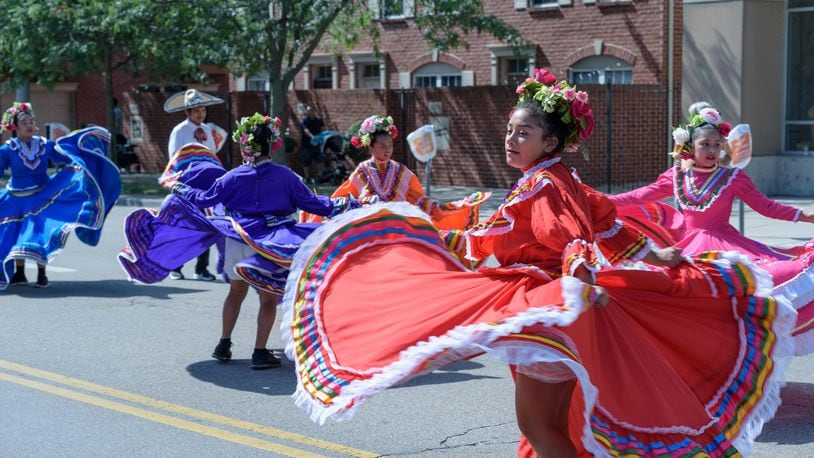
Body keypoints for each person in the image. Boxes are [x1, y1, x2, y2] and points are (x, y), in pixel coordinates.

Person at [279, 70, 794, 456]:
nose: (510, 139)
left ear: (550, 141)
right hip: (554, 307)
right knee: (548, 422)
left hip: (550, 306)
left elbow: (567, 234)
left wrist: (569, 267)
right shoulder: (557, 178)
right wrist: (653, 253)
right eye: (509, 131)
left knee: (538, 425)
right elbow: (608, 225)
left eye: (522, 133)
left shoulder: (546, 184)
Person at [119, 113, 373, 369]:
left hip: (238, 239)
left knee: (235, 292)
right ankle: (259, 352)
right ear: (272, 144)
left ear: (246, 145)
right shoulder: (286, 177)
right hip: (271, 244)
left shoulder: (233, 177)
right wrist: (352, 203)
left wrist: (179, 187)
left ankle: (223, 343)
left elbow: (204, 199)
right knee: (267, 298)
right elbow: (315, 204)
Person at [608, 101, 814, 355]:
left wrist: (806, 215)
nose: (711, 150)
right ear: (690, 147)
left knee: (754, 289)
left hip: (726, 247)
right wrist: (599, 202)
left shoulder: (733, 178)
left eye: (716, 145)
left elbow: (766, 207)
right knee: (678, 298)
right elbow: (640, 196)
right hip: (689, 248)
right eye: (705, 144)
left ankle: (732, 358)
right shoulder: (676, 176)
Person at [0, 102, 121, 289]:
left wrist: (81, 155)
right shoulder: (7, 149)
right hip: (14, 198)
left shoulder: (45, 145)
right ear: (14, 127)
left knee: (40, 233)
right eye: (24, 122)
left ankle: (41, 274)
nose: (30, 125)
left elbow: (64, 157)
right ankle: (19, 273)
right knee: (14, 234)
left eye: (31, 121)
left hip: (42, 195)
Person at [302, 114, 490, 231]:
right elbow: (341, 198)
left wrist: (446, 208)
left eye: (390, 145)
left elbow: (419, 199)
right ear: (370, 148)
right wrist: (316, 207)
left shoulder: (401, 171)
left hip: (400, 226)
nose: (388, 149)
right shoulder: (361, 172)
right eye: (382, 146)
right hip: (369, 228)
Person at [164, 88, 223, 281]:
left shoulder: (207, 130)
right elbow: (175, 158)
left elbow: (212, 157)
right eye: (196, 110)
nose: (200, 114)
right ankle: (175, 265)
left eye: (203, 110)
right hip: (187, 186)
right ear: (187, 112)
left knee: (206, 225)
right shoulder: (179, 131)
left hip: (205, 187)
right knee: (184, 226)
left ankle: (201, 268)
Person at [299, 105, 325, 185]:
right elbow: (306, 130)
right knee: (306, 161)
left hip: (317, 145)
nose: (310, 112)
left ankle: (319, 176)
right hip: (306, 145)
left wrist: (320, 138)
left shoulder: (319, 120)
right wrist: (313, 137)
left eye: (311, 110)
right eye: (308, 111)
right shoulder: (304, 121)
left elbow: (323, 129)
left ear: (314, 111)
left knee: (320, 160)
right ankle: (307, 178)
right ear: (307, 112)